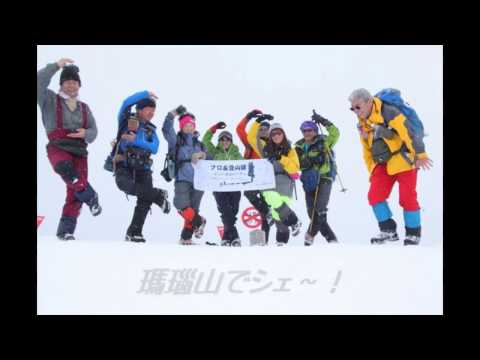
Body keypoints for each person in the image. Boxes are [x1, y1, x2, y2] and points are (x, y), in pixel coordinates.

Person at [348, 88, 433, 245]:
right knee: (374, 196)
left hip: (404, 159)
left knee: (407, 198)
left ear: (368, 101)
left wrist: (420, 155)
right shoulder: (362, 123)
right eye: (352, 108)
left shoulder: (389, 112)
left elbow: (408, 132)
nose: (355, 111)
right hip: (382, 163)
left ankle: (413, 233)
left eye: (357, 107)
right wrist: (372, 169)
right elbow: (366, 149)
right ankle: (388, 230)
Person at [37, 58, 101, 241]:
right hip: (58, 146)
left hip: (80, 150)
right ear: (61, 84)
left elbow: (94, 131)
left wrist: (85, 133)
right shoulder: (49, 99)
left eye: (75, 82)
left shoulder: (84, 108)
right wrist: (56, 66)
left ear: (79, 85)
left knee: (74, 194)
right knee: (65, 168)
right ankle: (91, 196)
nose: (72, 85)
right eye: (68, 81)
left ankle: (66, 231)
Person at [112, 91, 170, 242]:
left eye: (153, 110)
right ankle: (158, 195)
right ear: (139, 110)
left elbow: (155, 147)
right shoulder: (126, 120)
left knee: (144, 201)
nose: (151, 113)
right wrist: (145, 94)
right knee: (125, 185)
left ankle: (134, 232)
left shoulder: (151, 129)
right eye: (148, 109)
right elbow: (126, 103)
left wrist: (136, 140)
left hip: (143, 168)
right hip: (124, 164)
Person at [249, 120, 302, 246]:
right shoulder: (266, 149)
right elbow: (251, 137)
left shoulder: (290, 149)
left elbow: (295, 168)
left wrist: (281, 158)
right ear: (270, 136)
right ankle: (293, 223)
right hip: (269, 182)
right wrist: (257, 121)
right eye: (273, 134)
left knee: (279, 218)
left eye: (279, 133)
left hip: (284, 182)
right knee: (274, 205)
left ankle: (282, 241)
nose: (276, 136)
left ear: (283, 134)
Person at [162, 106, 207, 245]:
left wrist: (203, 155)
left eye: (191, 125)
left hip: (199, 180)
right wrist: (172, 114)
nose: (189, 127)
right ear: (181, 126)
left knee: (192, 210)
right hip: (182, 178)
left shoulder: (200, 144)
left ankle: (186, 238)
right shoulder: (176, 141)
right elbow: (166, 129)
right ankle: (200, 221)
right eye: (186, 125)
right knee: (181, 204)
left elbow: (210, 159)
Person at [294, 111, 340, 245]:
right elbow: (292, 162)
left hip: (324, 177)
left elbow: (335, 133)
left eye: (310, 130)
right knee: (312, 212)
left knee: (319, 208)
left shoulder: (324, 141)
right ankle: (332, 240)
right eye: (304, 131)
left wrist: (323, 120)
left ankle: (309, 235)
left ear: (315, 130)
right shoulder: (298, 147)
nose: (307, 133)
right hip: (308, 180)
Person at [203, 122, 244, 246]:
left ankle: (226, 238)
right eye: (222, 139)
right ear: (219, 141)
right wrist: (213, 128)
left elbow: (244, 167)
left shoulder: (236, 154)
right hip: (219, 187)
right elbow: (205, 140)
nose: (225, 141)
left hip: (235, 187)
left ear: (231, 141)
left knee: (233, 211)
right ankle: (235, 237)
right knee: (225, 210)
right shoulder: (215, 152)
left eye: (227, 139)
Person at [237, 110, 274, 242]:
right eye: (261, 128)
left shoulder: (273, 144)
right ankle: (268, 213)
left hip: (267, 179)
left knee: (265, 211)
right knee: (249, 194)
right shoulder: (250, 142)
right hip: (252, 177)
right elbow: (239, 129)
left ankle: (265, 242)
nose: (263, 130)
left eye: (266, 129)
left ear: (270, 131)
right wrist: (248, 117)